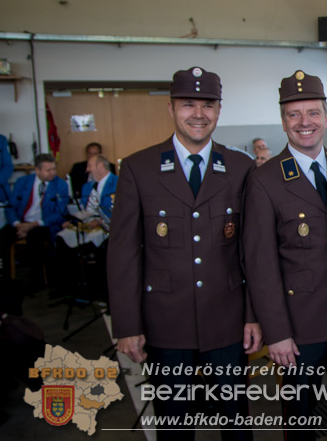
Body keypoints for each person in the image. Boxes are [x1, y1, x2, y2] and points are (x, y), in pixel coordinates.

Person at [107, 66, 260, 441]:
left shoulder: (240, 167)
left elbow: (253, 251)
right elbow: (124, 252)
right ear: (171, 108)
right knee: (174, 424)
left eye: (207, 105)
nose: (198, 113)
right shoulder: (138, 168)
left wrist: (255, 317)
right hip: (165, 322)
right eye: (188, 104)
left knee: (236, 423)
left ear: (219, 110)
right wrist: (127, 325)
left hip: (228, 321)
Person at [242, 70, 327, 439]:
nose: (304, 122)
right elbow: (260, 262)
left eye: (313, 112)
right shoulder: (265, 180)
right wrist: (276, 332)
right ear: (283, 122)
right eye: (294, 114)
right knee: (300, 420)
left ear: (326, 117)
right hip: (298, 330)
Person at [0, 154, 69, 292]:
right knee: (3, 235)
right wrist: (18, 224)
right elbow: (11, 207)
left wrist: (33, 225)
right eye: (48, 170)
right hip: (22, 222)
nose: (52, 173)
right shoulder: (22, 182)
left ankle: (36, 281)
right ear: (37, 170)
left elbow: (59, 213)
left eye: (53, 169)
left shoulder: (60, 185)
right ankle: (6, 279)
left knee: (34, 236)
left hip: (44, 224)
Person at [54, 154, 117, 297]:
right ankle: (72, 287)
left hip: (106, 226)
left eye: (90, 166)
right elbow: (85, 210)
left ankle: (99, 288)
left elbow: (119, 210)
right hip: (87, 224)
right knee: (61, 239)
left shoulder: (118, 182)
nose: (87, 170)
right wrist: (72, 220)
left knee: (98, 246)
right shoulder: (87, 186)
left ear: (100, 166)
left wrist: (101, 221)